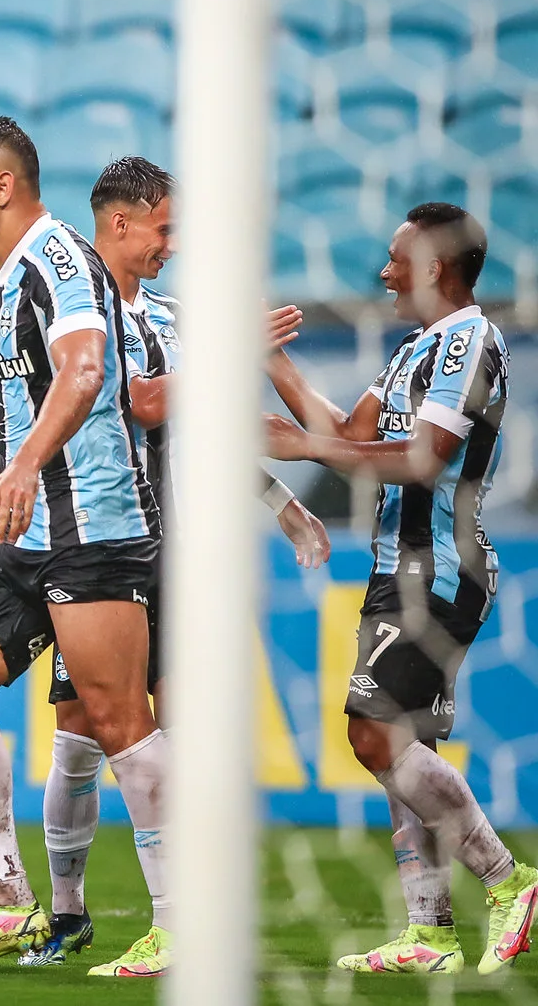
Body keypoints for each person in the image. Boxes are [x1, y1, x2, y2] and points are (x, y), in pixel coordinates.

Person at [21, 156, 332, 968]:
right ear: (121, 221)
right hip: (97, 546)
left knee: (180, 733)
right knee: (81, 737)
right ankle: (67, 911)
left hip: (180, 560)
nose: (176, 244)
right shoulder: (73, 306)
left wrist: (284, 504)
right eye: (167, 227)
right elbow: (139, 401)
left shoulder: (172, 314)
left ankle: (184, 919)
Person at [0, 116, 173, 977]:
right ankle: (6, 903)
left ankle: (184, 918)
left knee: (118, 719)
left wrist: (24, 462)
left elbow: (86, 369)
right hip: (23, 534)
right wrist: (4, 465)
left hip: (91, 528)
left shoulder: (59, 257)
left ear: (2, 186)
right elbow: (29, 395)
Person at [266, 202, 536, 977]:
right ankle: (430, 930)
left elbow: (423, 457)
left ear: (434, 265)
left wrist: (299, 445)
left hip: (436, 564)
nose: (383, 270)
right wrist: (273, 364)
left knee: (372, 734)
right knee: (402, 749)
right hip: (400, 564)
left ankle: (510, 880)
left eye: (396, 256)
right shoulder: (416, 348)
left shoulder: (469, 340)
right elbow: (349, 435)